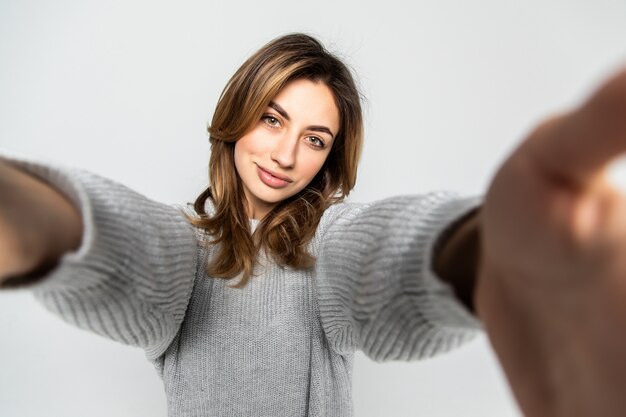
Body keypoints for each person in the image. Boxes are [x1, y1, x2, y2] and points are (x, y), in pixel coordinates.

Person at [0, 32, 625, 417]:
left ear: (331, 156)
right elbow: (124, 244)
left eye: (315, 138)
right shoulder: (182, 248)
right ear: (238, 114)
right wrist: (25, 219)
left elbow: (382, 259)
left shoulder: (329, 242)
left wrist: (486, 255)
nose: (285, 155)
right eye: (272, 119)